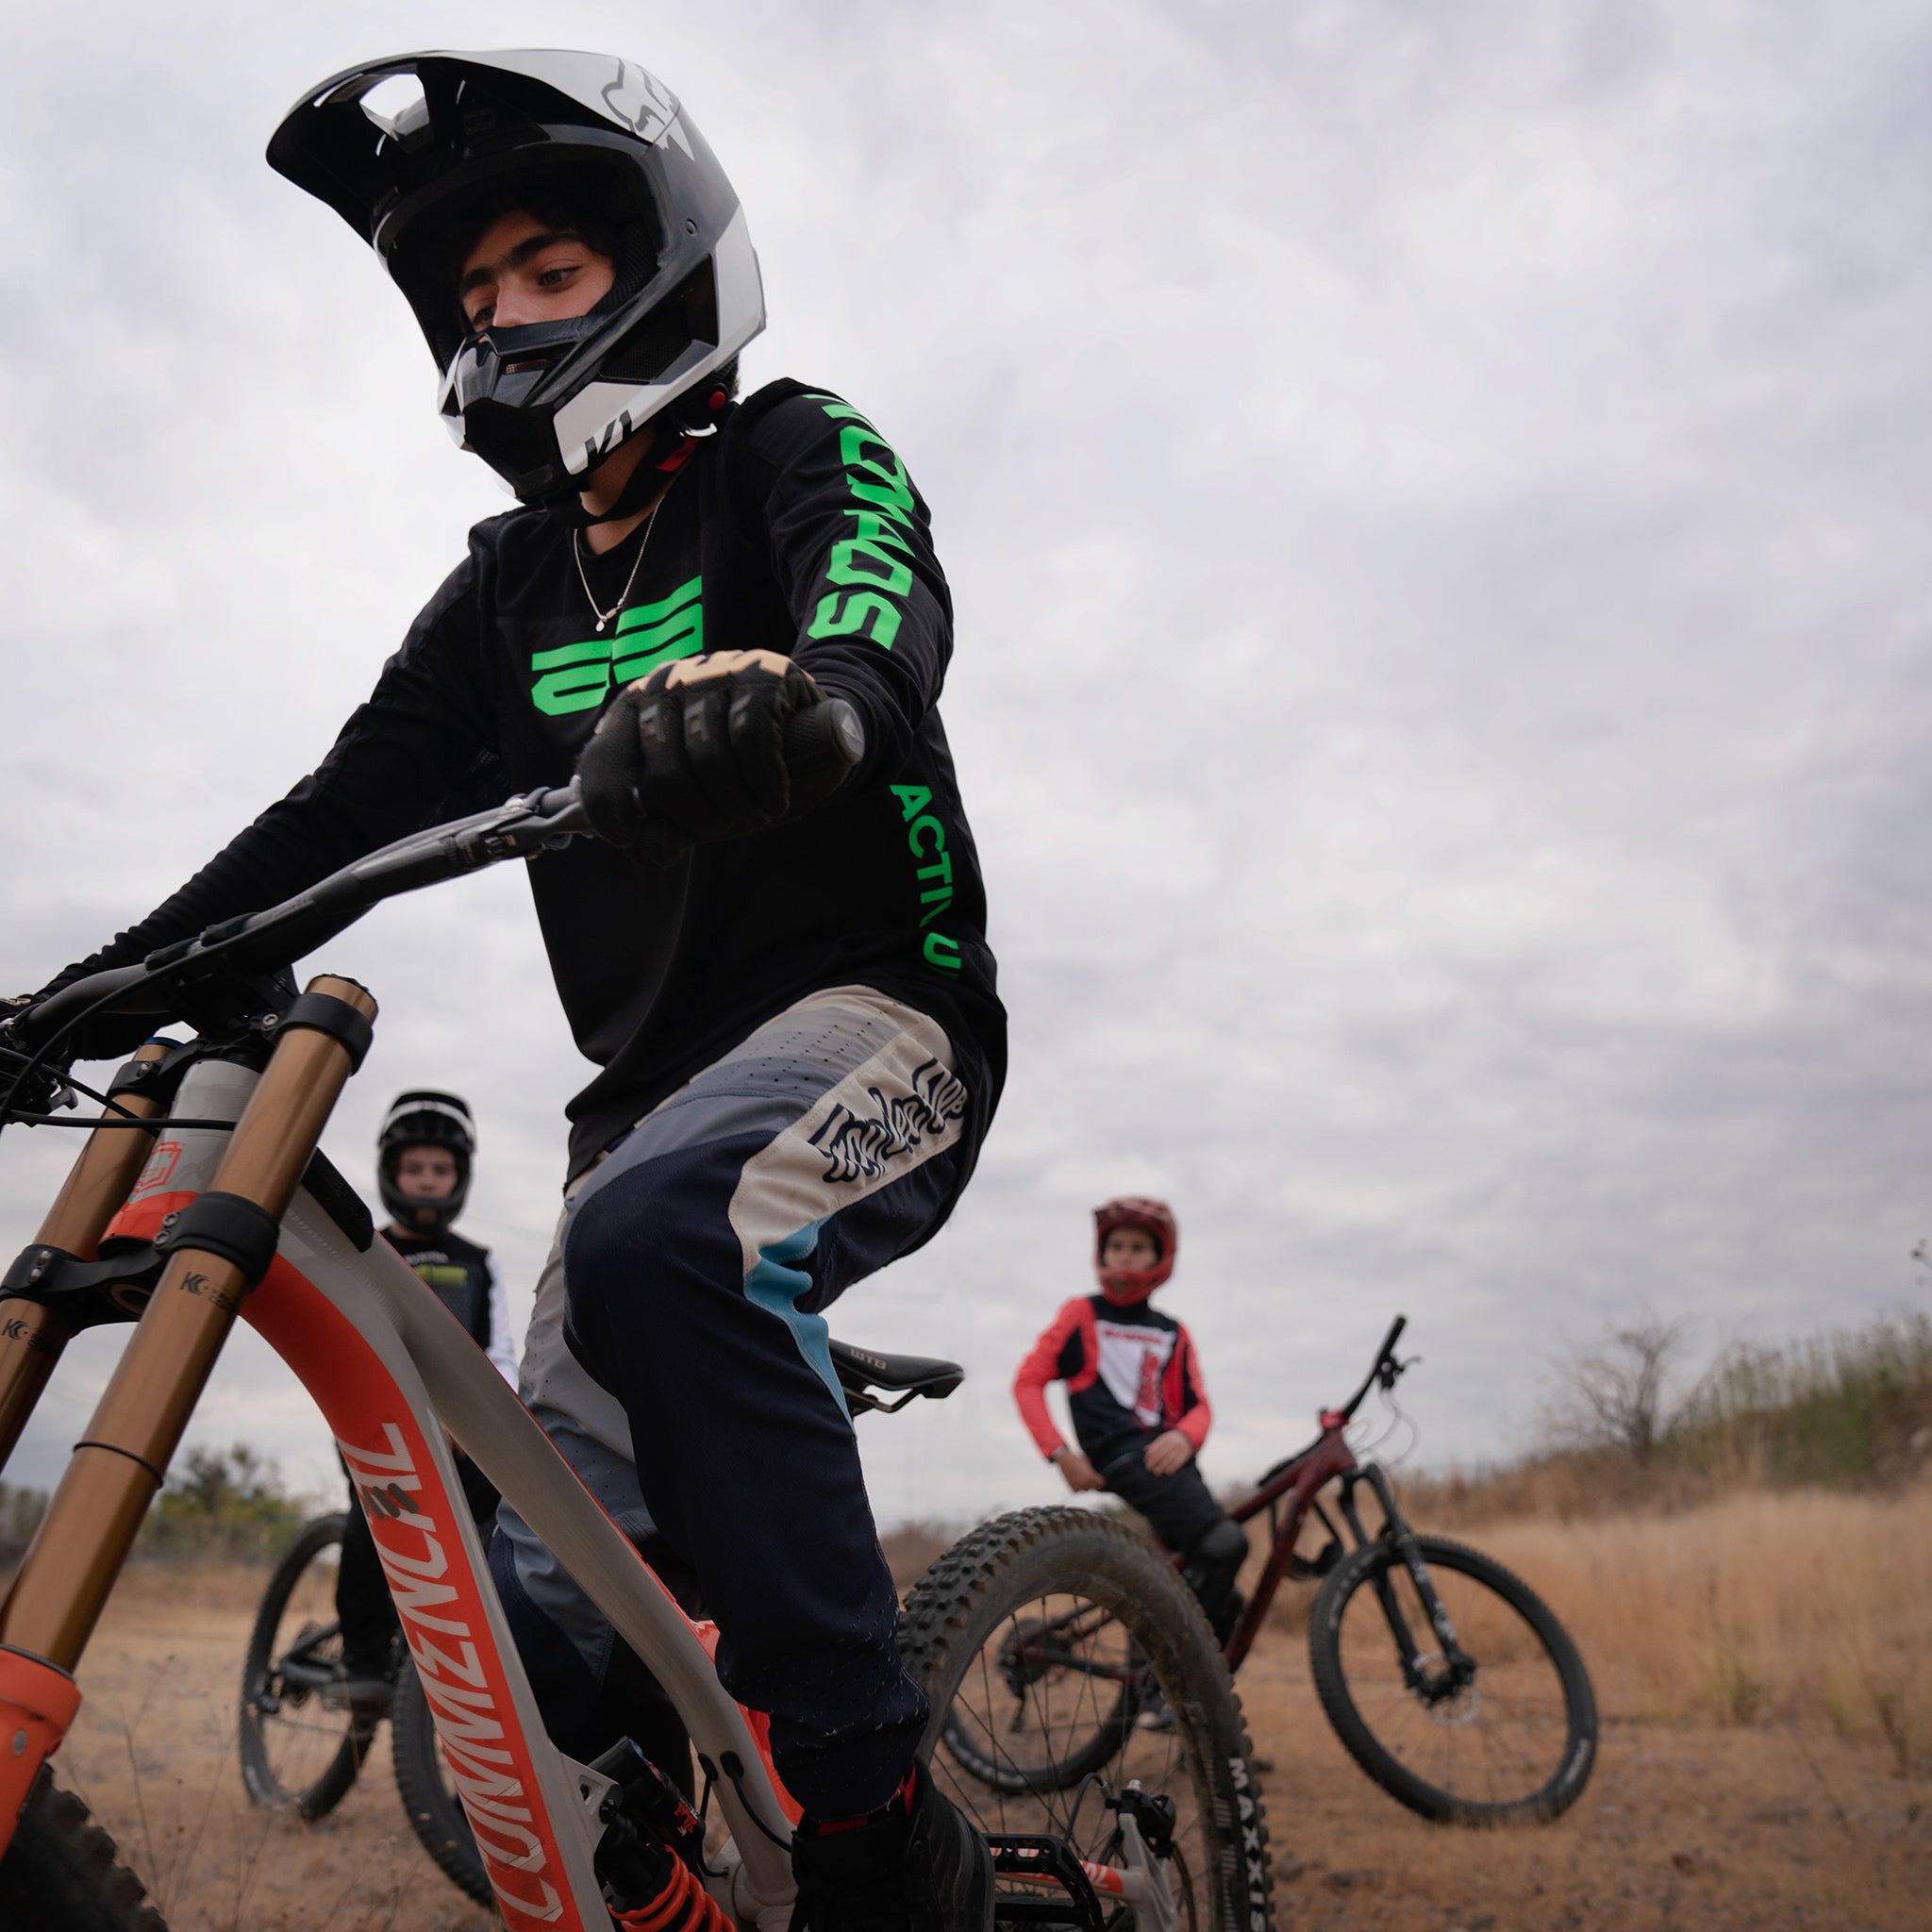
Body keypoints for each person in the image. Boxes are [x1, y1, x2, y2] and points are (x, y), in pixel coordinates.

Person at [10, 50, 1003, 1932]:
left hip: (884, 1014)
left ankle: (884, 1837)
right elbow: (333, 818)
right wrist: (84, 988)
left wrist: (820, 699)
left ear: (655, 260)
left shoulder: (794, 452)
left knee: (662, 1241)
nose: (499, 321)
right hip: (644, 1111)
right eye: (472, 298)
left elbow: (877, 602)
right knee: (539, 1643)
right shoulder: (504, 591)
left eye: (540, 270)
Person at [333, 1091, 515, 1705]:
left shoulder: (478, 1263)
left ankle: (483, 1655)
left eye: (441, 1170)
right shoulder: (365, 1253)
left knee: (500, 1534)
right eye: (416, 1169)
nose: (428, 1181)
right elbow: (346, 1343)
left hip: (467, 1441)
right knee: (373, 1519)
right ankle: (362, 1656)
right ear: (391, 1173)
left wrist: (485, 1424)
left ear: (459, 1178)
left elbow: (500, 1355)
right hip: (376, 1422)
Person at [1012, 1199, 1248, 1647]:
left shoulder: (1173, 1331)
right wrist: (1060, 1454)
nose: (1123, 1254)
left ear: (1161, 1257)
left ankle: (1153, 1677)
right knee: (1226, 1544)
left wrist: (1185, 1435)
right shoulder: (1082, 1313)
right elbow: (1027, 1382)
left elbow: (1200, 1405)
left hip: (1170, 1460)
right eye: (1115, 1245)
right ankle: (1169, 1680)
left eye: (1138, 1247)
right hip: (1119, 1455)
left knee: (1217, 1587)